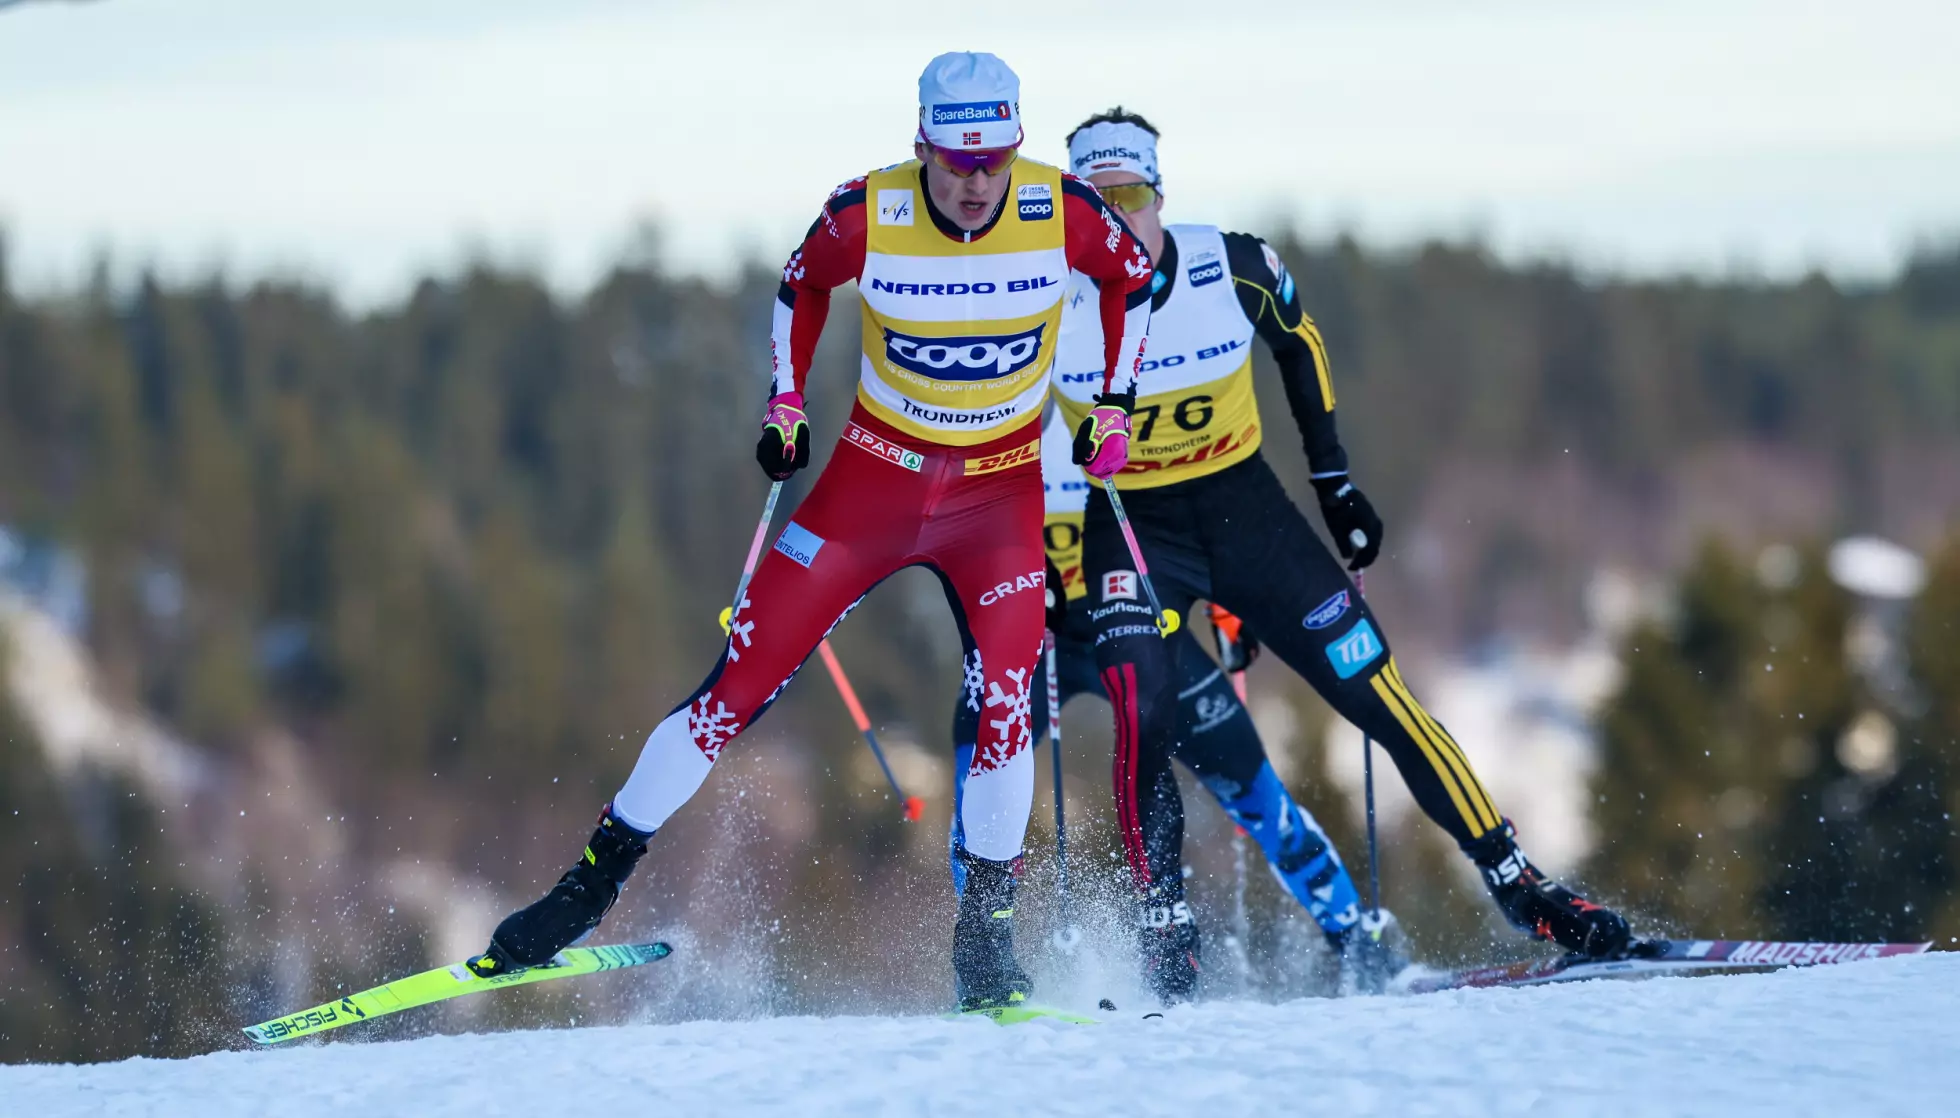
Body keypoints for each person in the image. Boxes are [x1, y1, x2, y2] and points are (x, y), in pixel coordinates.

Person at [469, 55, 1155, 1013]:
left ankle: (986, 942)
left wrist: (1115, 404)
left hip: (999, 497)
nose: (974, 183)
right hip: (870, 486)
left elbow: (1131, 279)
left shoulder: (1064, 210)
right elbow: (802, 287)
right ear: (920, 147)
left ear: (1016, 150)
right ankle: (588, 886)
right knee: (734, 687)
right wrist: (786, 398)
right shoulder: (865, 212)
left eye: (993, 161)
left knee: (1006, 696)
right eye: (955, 161)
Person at [1054, 109, 1633, 1004]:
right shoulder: (1048, 299)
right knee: (1144, 711)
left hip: (1246, 514)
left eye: (1127, 197)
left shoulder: (1231, 266)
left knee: (1379, 693)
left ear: (1160, 199)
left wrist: (1334, 485)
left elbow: (1300, 344)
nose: (1111, 220)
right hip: (1132, 528)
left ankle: (1522, 885)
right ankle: (1162, 922)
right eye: (1088, 205)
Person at [947, 407, 1409, 995]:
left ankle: (1358, 945)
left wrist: (1226, 605)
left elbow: (1194, 511)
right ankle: (983, 963)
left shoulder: (1111, 392)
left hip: (1137, 627)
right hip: (1031, 642)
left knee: (1251, 784)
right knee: (976, 800)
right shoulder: (1001, 405)